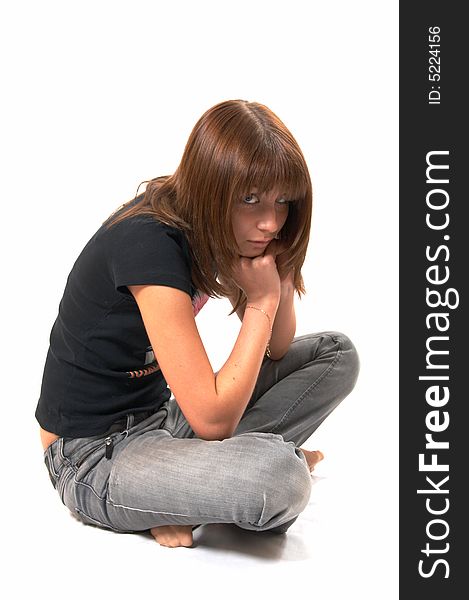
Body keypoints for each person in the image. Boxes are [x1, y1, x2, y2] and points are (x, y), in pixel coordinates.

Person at [36, 99, 360, 548]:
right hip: (91, 456)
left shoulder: (209, 223)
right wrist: (262, 300)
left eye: (282, 201)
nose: (270, 222)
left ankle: (195, 486)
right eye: (250, 199)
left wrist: (280, 275)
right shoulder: (148, 243)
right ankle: (199, 486)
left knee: (336, 354)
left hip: (164, 420)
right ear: (213, 187)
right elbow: (212, 421)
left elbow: (279, 347)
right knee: (281, 477)